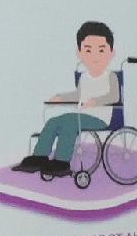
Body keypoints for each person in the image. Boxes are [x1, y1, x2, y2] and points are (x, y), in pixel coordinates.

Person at [23, 22, 125, 177]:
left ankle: (62, 162)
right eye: (88, 50)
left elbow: (115, 96)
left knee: (70, 122)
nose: (95, 56)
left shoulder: (111, 76)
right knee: (54, 121)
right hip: (82, 115)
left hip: (101, 118)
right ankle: (39, 157)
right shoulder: (84, 77)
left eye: (101, 50)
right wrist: (60, 97)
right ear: (80, 53)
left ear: (111, 53)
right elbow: (78, 95)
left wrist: (96, 101)